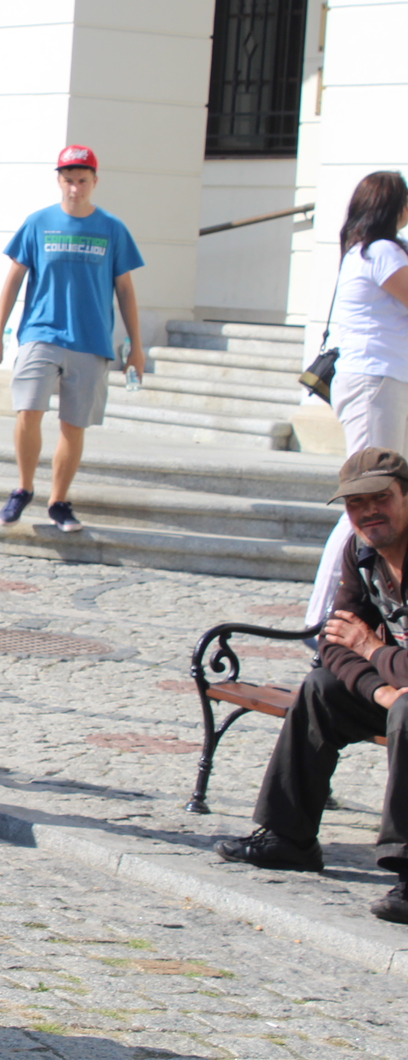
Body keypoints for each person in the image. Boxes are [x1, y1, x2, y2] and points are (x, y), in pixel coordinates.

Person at [215, 447, 408, 925]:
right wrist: (380, 688)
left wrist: (375, 651)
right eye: (355, 504)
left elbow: (359, 642)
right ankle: (289, 837)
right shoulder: (361, 553)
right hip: (397, 686)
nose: (367, 512)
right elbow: (335, 643)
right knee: (321, 688)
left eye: (380, 498)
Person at [0, 145, 145, 534]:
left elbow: (126, 290)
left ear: (94, 182)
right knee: (28, 411)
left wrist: (136, 346)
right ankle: (22, 488)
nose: (75, 188)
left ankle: (58, 501)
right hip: (41, 332)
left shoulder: (112, 229)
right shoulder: (38, 223)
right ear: (59, 180)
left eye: (83, 181)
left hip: (90, 339)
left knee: (73, 425)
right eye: (69, 180)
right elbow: (13, 279)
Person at [305, 173, 408, 629]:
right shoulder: (382, 251)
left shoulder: (358, 252)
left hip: (376, 380)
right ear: (394, 206)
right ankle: (325, 617)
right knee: (365, 504)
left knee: (375, 500)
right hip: (376, 382)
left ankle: (349, 611)